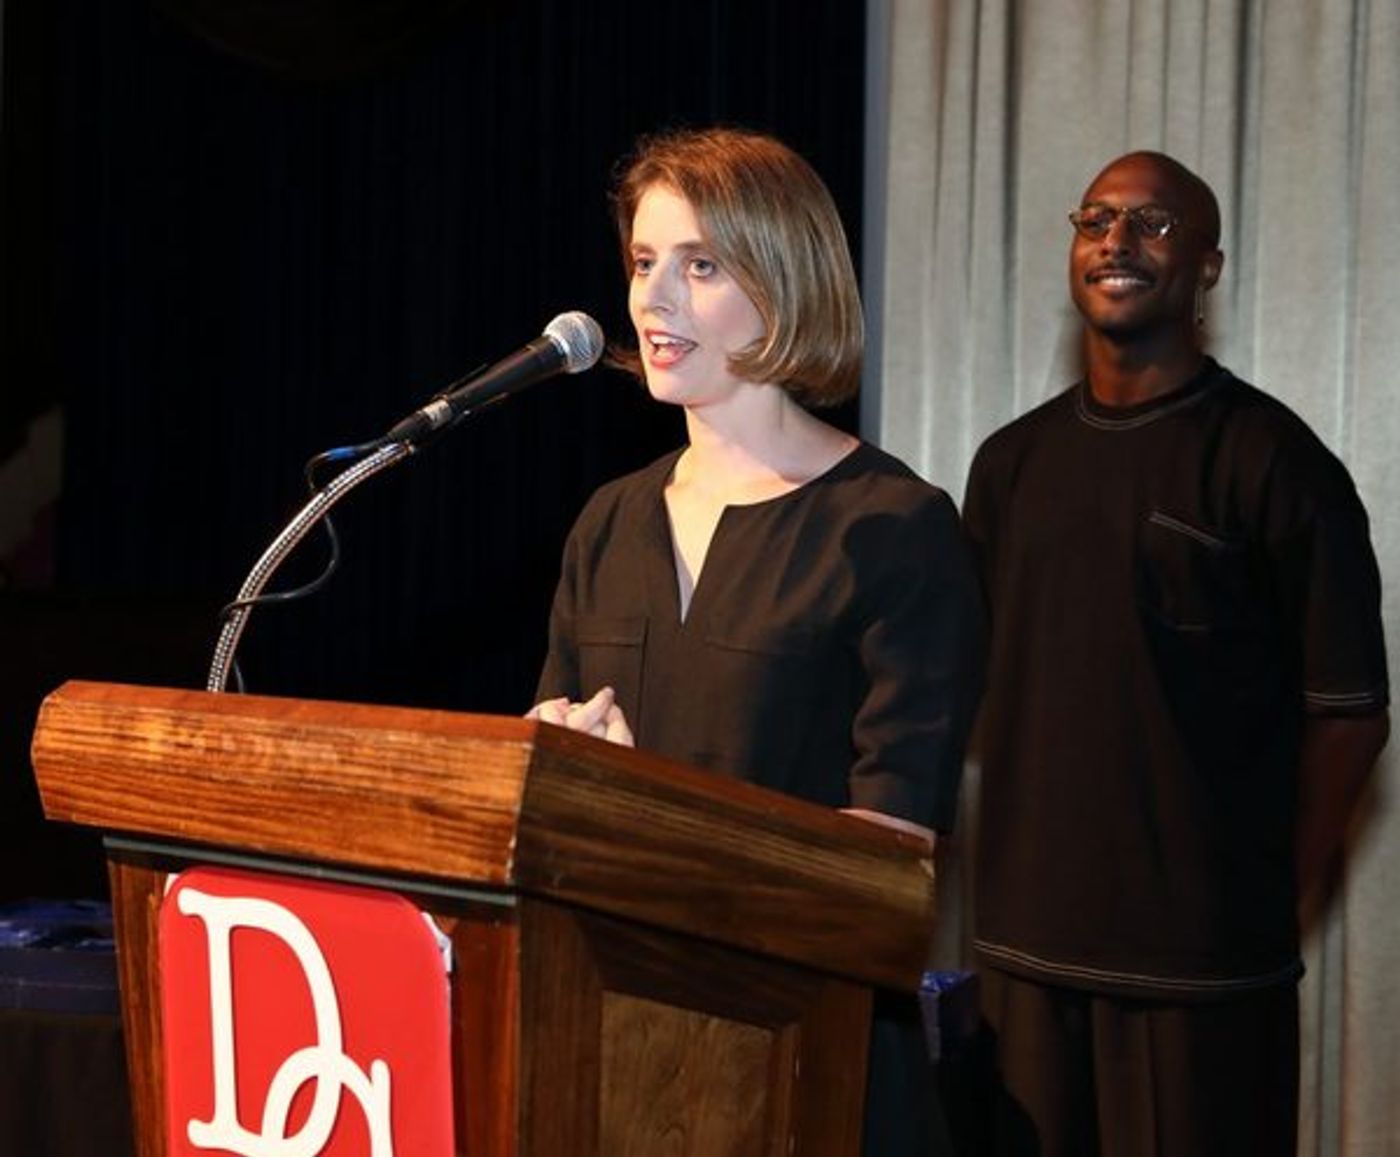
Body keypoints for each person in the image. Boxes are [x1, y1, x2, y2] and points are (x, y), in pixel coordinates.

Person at [530, 126, 986, 1155]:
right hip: (615, 1050)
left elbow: (886, 867)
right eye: (644, 262)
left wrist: (640, 809)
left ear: (784, 284)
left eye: (699, 266)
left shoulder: (894, 528)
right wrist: (558, 773)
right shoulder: (608, 522)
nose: (653, 299)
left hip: (810, 1065)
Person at [961, 150, 1390, 1156]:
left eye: (1152, 223)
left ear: (1207, 267)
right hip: (1023, 956)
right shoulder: (1008, 464)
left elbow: (1349, 718)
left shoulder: (1277, 463)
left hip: (1202, 976)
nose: (1116, 240)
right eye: (1095, 219)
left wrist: (1253, 897)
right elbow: (967, 684)